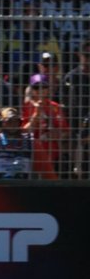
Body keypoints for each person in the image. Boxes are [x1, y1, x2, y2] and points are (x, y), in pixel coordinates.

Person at [20, 74, 70, 175]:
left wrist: (58, 135)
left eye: (44, 87)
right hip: (32, 156)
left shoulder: (55, 106)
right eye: (36, 87)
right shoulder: (25, 107)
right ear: (32, 89)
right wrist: (36, 115)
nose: (40, 90)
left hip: (54, 156)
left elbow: (66, 132)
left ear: (48, 89)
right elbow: (23, 132)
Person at [60, 40, 90, 178]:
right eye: (87, 55)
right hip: (75, 127)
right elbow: (65, 104)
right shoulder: (71, 77)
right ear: (79, 55)